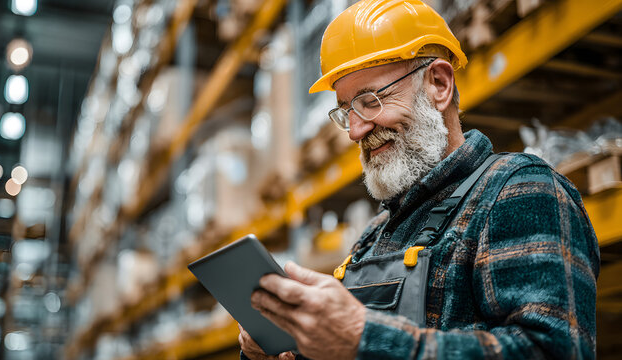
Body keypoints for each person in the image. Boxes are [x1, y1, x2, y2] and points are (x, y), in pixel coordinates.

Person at [239, 0, 600, 359]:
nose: (355, 131)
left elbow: (550, 351)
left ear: (439, 84)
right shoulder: (375, 235)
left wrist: (363, 338)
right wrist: (283, 351)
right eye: (347, 110)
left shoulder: (518, 191)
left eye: (370, 100)